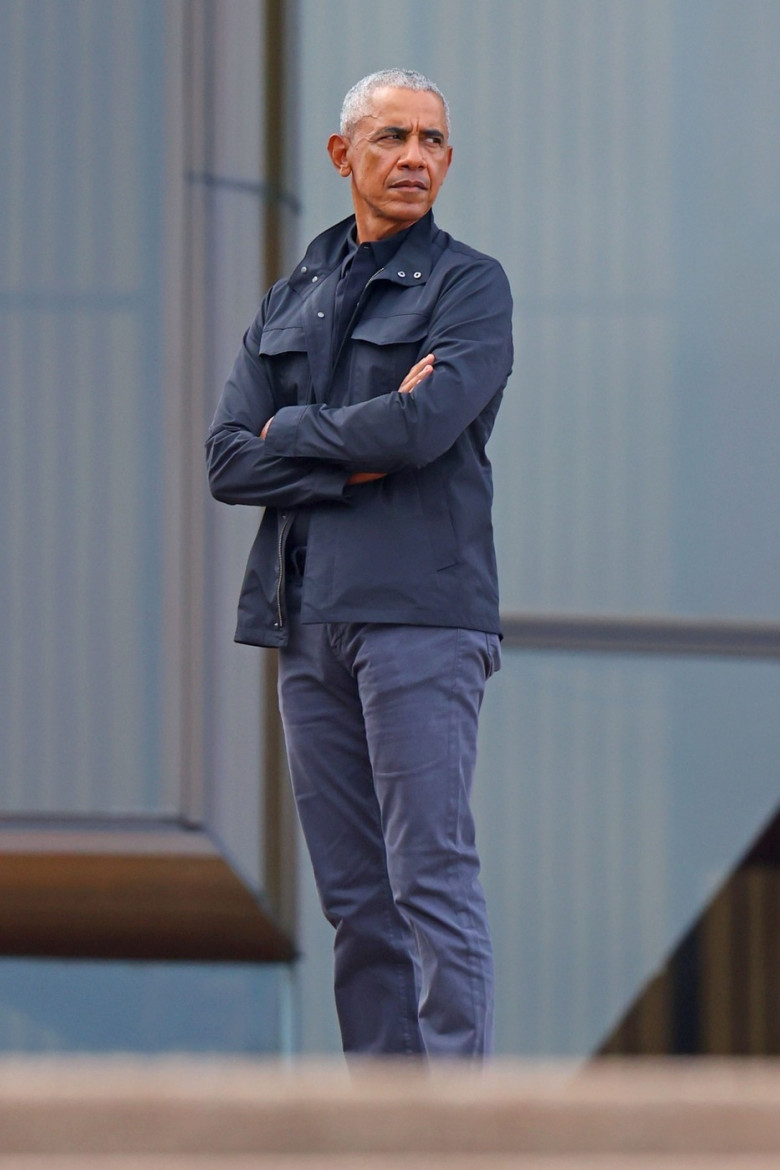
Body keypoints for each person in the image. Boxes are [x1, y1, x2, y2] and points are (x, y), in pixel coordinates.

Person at [206, 68, 513, 1058]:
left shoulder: (470, 285)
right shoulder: (292, 292)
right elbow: (225, 459)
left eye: (430, 141)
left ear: (449, 160)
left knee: (429, 872)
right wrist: (348, 453)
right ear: (344, 156)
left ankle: (458, 1127)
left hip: (422, 615)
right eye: (391, 139)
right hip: (308, 619)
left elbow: (424, 431)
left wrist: (289, 430)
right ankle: (386, 1131)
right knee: (354, 897)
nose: (414, 158)